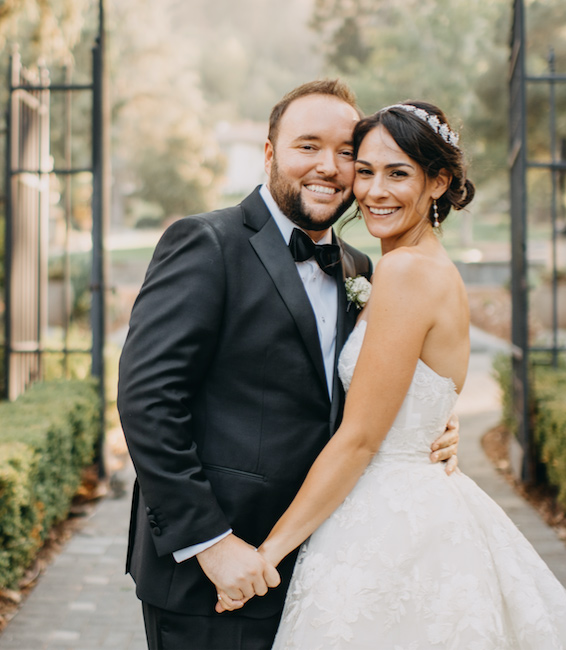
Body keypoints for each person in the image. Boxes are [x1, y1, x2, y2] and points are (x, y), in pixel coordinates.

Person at [219, 102, 566, 649]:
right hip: (418, 505)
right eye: (367, 171)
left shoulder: (405, 271)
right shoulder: (412, 266)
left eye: (398, 173)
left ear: (438, 182)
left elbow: (359, 439)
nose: (375, 191)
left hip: (388, 527)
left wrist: (268, 554)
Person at [117, 81, 460, 650]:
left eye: (347, 152)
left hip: (331, 571)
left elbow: (371, 397)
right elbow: (147, 402)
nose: (328, 166)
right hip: (218, 577)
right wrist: (210, 543)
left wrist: (431, 428)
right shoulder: (207, 243)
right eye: (308, 146)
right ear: (271, 152)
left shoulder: (363, 269)